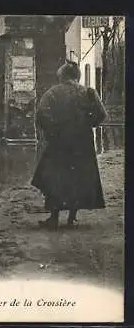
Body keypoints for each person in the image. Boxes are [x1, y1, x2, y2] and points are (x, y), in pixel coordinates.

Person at [31, 60, 108, 231]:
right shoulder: (88, 92)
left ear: (62, 76)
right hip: (82, 144)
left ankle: (54, 218)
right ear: (77, 76)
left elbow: (41, 113)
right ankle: (72, 217)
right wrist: (88, 124)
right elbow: (102, 114)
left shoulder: (53, 93)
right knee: (78, 178)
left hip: (60, 142)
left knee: (56, 179)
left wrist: (52, 131)